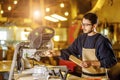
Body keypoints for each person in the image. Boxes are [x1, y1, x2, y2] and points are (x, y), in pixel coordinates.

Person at [45, 13, 117, 78]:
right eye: (82, 24)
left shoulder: (102, 40)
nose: (83, 27)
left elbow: (111, 61)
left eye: (86, 25)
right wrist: (55, 53)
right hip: (84, 77)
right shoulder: (81, 38)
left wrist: (91, 63)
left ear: (94, 26)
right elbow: (70, 51)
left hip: (99, 78)